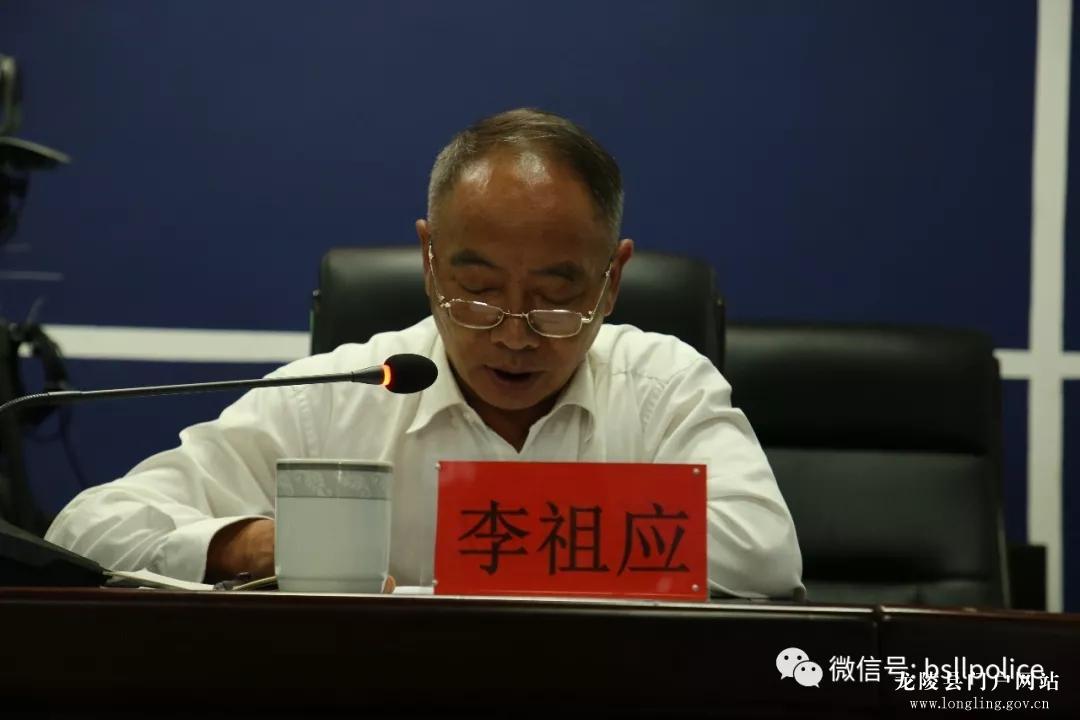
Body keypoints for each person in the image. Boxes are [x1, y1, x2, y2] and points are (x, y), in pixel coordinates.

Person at [46, 108, 802, 598]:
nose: (514, 334)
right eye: (478, 292)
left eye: (555, 297)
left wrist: (486, 543)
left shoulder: (661, 386)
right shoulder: (334, 395)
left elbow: (764, 555)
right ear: (430, 261)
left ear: (613, 280)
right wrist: (248, 547)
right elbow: (87, 527)